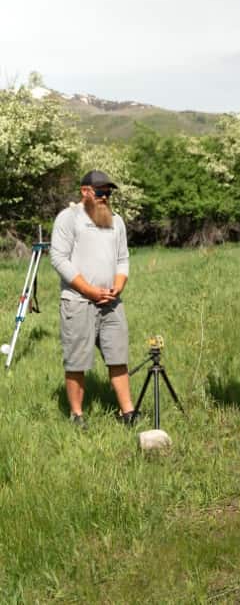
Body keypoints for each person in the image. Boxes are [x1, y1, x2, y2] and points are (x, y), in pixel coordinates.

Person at [50, 170, 136, 428]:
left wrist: (118, 286)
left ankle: (128, 413)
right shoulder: (68, 218)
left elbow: (123, 259)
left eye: (108, 193)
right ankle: (77, 415)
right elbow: (58, 259)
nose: (105, 197)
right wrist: (88, 290)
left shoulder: (116, 221)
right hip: (78, 301)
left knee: (118, 355)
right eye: (100, 192)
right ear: (85, 191)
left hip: (111, 302)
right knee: (77, 360)